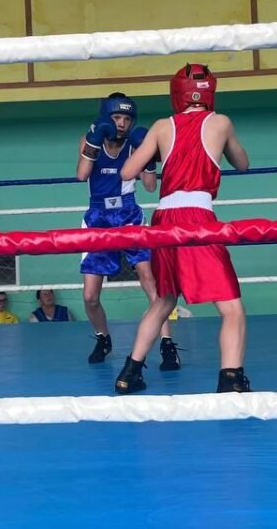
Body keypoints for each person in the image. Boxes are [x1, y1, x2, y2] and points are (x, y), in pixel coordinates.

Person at [114, 64, 252, 394]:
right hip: (197, 217)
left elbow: (127, 172)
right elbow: (243, 164)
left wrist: (152, 151)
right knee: (232, 308)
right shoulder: (220, 122)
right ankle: (231, 378)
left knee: (164, 300)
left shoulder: (162, 126)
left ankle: (129, 373)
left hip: (164, 218)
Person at [76, 93, 179, 368]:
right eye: (116, 118)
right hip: (98, 217)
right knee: (90, 296)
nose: (122, 123)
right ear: (106, 118)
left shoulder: (136, 145)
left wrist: (149, 157)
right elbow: (82, 175)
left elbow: (150, 187)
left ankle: (167, 344)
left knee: (149, 280)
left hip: (129, 214)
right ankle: (103, 337)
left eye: (126, 119)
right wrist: (94, 142)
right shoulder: (89, 139)